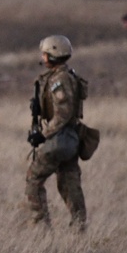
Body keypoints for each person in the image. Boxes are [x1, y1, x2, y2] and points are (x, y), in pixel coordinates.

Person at [25, 35, 88, 230]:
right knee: (69, 183)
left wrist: (43, 134)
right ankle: (79, 227)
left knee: (33, 179)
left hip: (60, 139)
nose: (42, 57)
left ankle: (41, 226)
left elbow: (62, 114)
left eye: (45, 54)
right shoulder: (66, 75)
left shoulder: (59, 80)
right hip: (69, 139)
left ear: (53, 55)